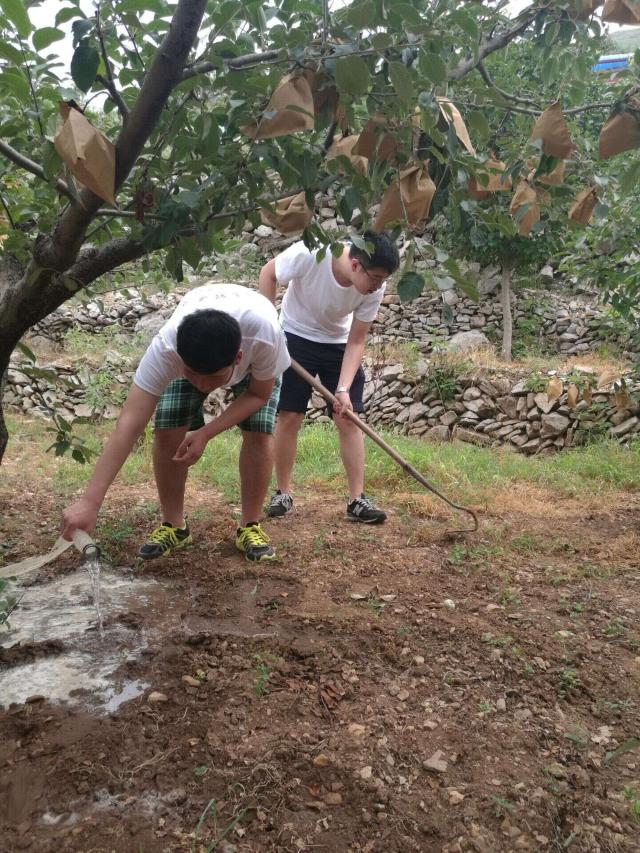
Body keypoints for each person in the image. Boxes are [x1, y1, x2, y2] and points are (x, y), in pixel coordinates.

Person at [61, 283, 290, 562]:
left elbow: (259, 394)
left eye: (213, 377)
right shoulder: (166, 349)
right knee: (167, 429)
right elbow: (129, 424)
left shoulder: (265, 337)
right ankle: (174, 526)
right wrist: (90, 501)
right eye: (193, 374)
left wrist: (206, 432)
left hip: (255, 353)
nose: (203, 385)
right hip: (197, 340)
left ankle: (250, 524)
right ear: (179, 358)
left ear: (238, 358)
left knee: (259, 430)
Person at [259, 230, 400, 523]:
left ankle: (357, 500)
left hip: (338, 342)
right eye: (375, 279)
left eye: (382, 280)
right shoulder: (312, 252)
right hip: (295, 335)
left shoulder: (374, 286)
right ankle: (283, 493)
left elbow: (356, 341)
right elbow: (268, 273)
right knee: (290, 415)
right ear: (355, 265)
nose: (378, 287)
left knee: (348, 417)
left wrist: (343, 388)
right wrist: (269, 328)